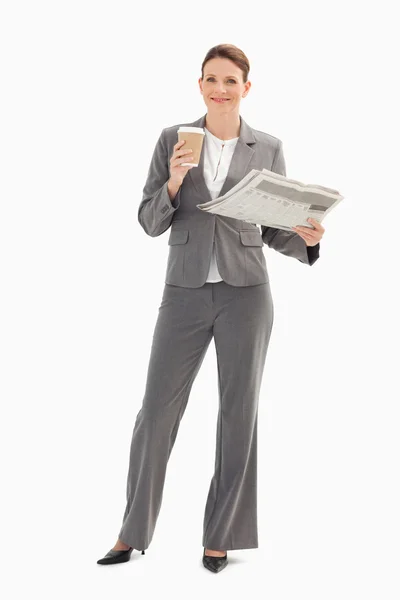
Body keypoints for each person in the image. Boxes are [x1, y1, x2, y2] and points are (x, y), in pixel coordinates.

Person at [97, 43, 324, 574]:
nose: (220, 88)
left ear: (246, 88)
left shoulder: (267, 146)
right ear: (199, 84)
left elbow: (273, 226)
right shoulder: (172, 139)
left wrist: (307, 237)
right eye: (211, 79)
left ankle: (220, 538)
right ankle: (131, 533)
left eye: (230, 81)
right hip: (185, 291)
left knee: (237, 414)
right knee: (155, 412)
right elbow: (150, 221)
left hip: (248, 294)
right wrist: (175, 182)